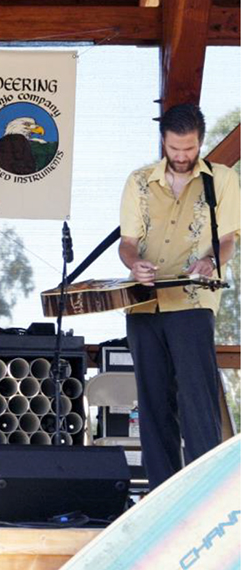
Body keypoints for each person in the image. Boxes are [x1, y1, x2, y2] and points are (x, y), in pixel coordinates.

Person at [118, 102, 238, 489]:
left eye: (189, 148)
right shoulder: (138, 181)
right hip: (144, 303)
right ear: (163, 142)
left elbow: (228, 239)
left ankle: (204, 494)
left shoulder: (221, 179)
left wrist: (210, 262)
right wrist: (135, 264)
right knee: (153, 404)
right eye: (174, 148)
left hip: (193, 302)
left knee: (197, 401)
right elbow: (127, 244)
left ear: (200, 141)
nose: (182, 156)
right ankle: (162, 494)